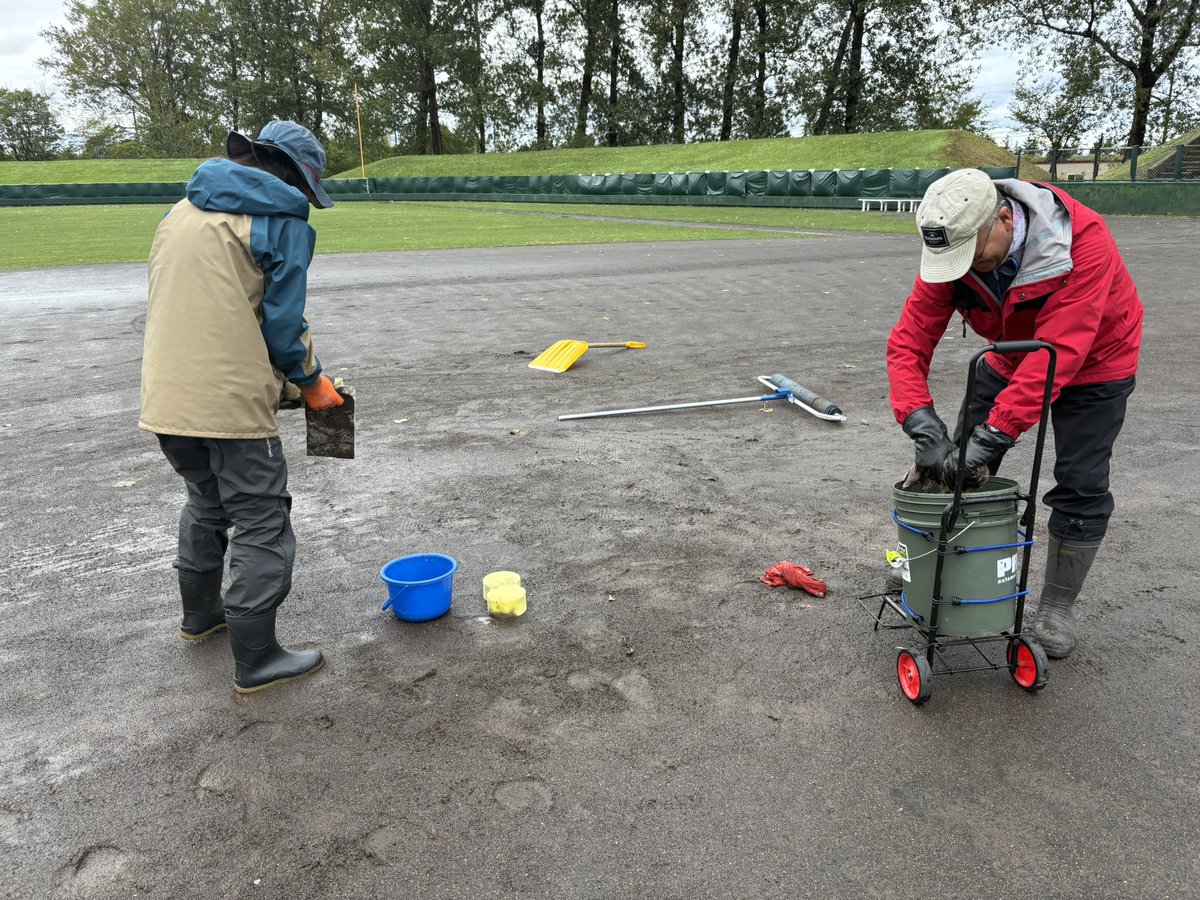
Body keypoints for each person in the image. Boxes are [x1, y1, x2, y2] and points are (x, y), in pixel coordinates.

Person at [887, 167, 1143, 658]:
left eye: (972, 257)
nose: (962, 269)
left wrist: (996, 433)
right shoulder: (955, 249)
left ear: (1004, 218)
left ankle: (1057, 606)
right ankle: (928, 561)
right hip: (1009, 355)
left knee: (1081, 480)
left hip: (1097, 362)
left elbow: (1061, 350)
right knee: (951, 464)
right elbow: (908, 341)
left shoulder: (1081, 242)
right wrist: (920, 423)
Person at [140, 120, 344, 693]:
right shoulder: (280, 222)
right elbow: (284, 327)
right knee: (261, 517)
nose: (304, 199)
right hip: (227, 405)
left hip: (164, 393)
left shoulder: (179, 212)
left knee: (206, 503)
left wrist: (269, 379)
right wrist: (311, 383)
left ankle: (201, 617)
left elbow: (216, 309)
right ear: (291, 176)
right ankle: (256, 658)